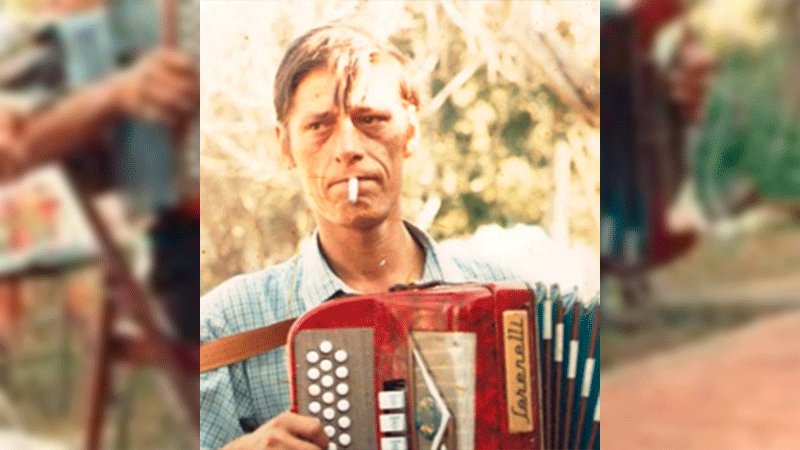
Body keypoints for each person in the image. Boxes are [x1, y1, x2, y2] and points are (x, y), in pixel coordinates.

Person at [199, 24, 527, 450]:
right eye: (319, 126)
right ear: (285, 146)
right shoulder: (225, 325)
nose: (348, 147)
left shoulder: (506, 301)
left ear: (411, 132)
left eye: (371, 119)